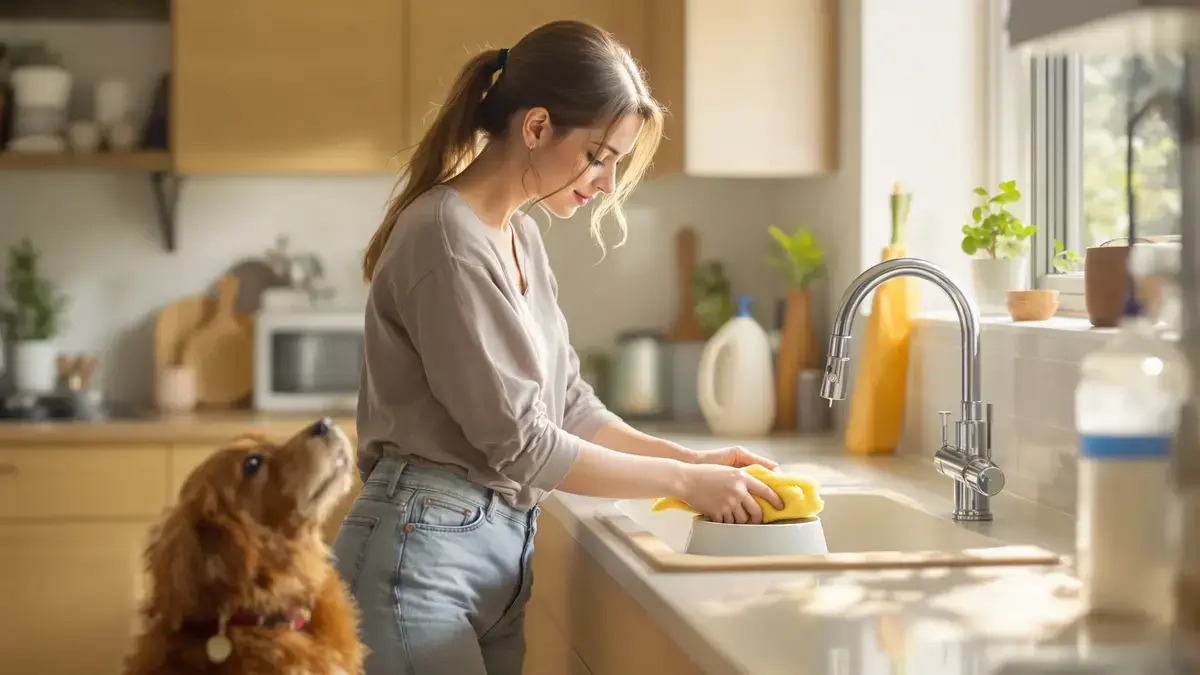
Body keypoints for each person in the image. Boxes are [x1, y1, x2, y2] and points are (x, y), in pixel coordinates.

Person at [332, 19, 785, 675]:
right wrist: (686, 481)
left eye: (615, 163)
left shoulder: (519, 237)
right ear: (537, 127)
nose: (605, 181)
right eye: (599, 155)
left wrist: (691, 459)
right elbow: (520, 443)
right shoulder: (445, 236)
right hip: (420, 552)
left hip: (488, 558)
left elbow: (568, 405)